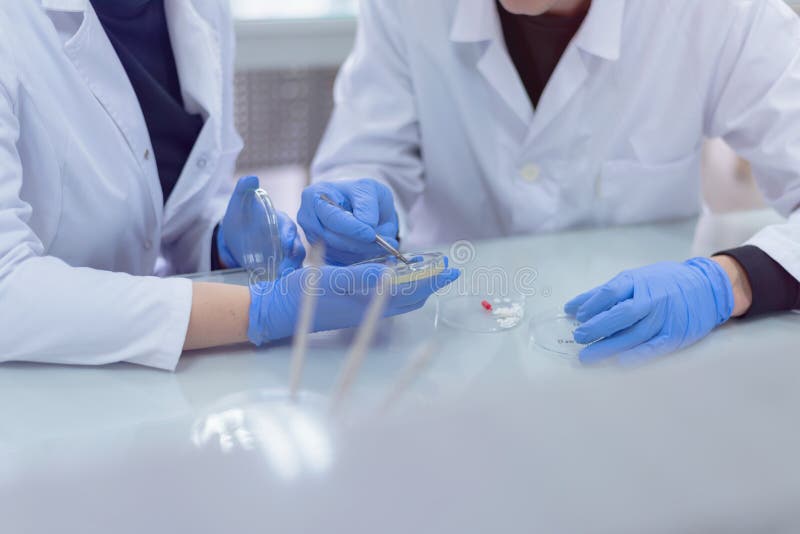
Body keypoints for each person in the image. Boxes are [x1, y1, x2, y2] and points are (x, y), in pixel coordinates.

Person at [299, 0, 800, 364]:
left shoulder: (721, 14)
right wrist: (359, 193)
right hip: (441, 355)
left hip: (642, 364)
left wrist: (729, 281)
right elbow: (368, 153)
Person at [0, 0, 458, 370]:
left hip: (137, 384)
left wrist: (221, 244)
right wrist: (257, 311)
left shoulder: (202, 10)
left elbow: (170, 213)